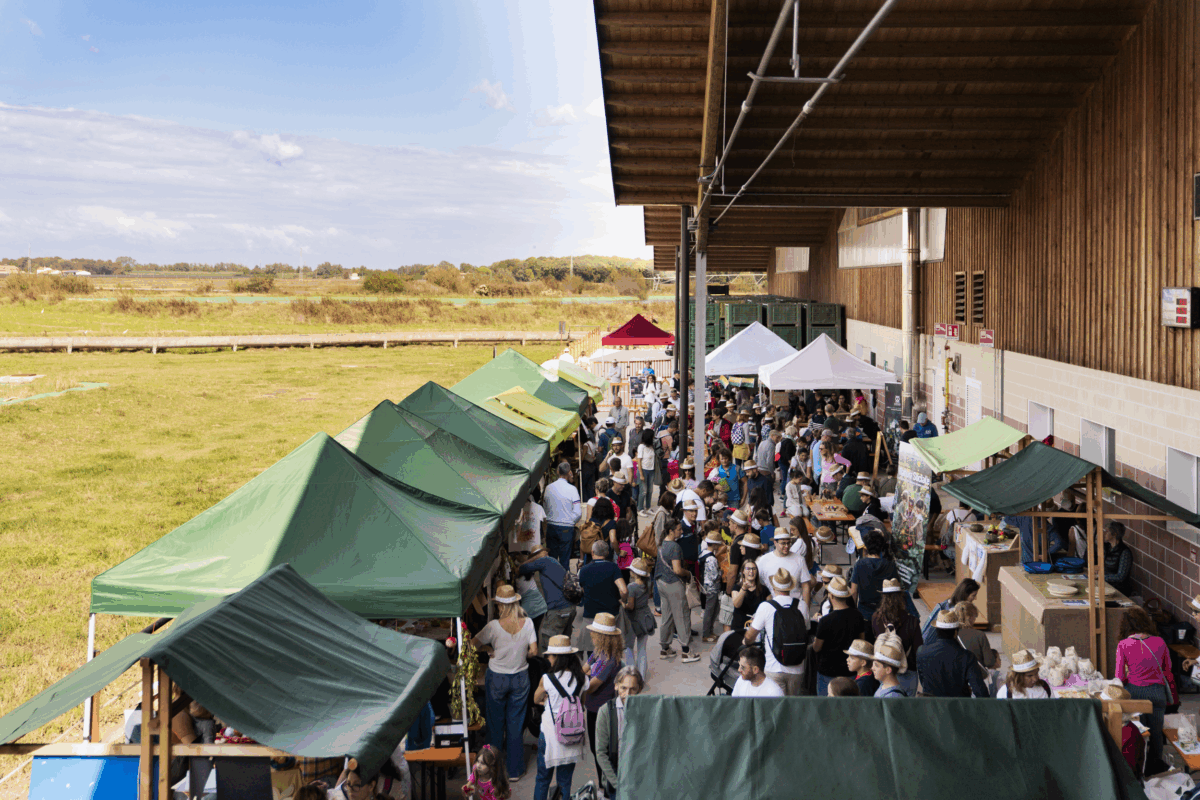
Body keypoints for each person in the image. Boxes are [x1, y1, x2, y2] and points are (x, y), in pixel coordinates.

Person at [473, 585, 538, 782]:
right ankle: (515, 771)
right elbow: (534, 651)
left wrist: (488, 649)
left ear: (500, 605)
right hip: (520, 677)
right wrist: (520, 655)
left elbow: (471, 645)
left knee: (495, 724)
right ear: (516, 602)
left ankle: (493, 771)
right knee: (515, 725)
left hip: (497, 678)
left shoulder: (493, 626)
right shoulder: (528, 623)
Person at [1116, 606, 1177, 776]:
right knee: (1157, 733)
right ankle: (1155, 765)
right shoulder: (1160, 641)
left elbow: (1119, 676)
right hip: (1157, 693)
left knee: (1140, 733)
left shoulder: (1123, 644)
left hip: (1135, 694)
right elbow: (1168, 668)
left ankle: (1139, 768)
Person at [531, 636, 587, 800]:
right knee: (565, 781)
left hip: (549, 735)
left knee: (543, 779)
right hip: (572, 735)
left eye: (549, 655)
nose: (548, 658)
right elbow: (580, 704)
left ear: (557, 657)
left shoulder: (547, 679)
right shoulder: (582, 679)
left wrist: (547, 700)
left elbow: (535, 699)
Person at [745, 569, 807, 696]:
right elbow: (806, 630)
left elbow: (750, 636)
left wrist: (745, 641)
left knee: (776, 709)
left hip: (774, 667)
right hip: (798, 667)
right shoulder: (802, 605)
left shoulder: (766, 606)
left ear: (773, 587)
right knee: (793, 709)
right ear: (790, 587)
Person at [582, 612, 624, 777]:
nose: (591, 634)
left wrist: (581, 679)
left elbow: (591, 687)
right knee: (596, 749)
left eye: (594, 633)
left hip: (602, 711)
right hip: (593, 708)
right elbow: (584, 670)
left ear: (602, 636)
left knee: (601, 751)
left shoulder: (611, 660)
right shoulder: (598, 653)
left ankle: (607, 787)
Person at [915, 610, 989, 699]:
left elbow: (923, 681)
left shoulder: (922, 652)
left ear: (937, 630)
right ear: (955, 632)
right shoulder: (967, 657)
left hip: (931, 707)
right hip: (959, 708)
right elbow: (980, 691)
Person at [812, 576, 867, 697]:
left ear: (831, 596)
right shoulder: (857, 616)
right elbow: (861, 642)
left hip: (827, 671)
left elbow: (817, 647)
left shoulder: (825, 621)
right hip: (850, 670)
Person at [655, 522, 699, 663]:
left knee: (667, 616)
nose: (681, 532)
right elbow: (677, 570)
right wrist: (688, 574)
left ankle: (665, 648)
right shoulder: (675, 546)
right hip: (673, 584)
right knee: (682, 616)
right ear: (671, 531)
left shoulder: (661, 545)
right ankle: (686, 652)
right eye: (679, 529)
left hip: (661, 583)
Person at [595, 667, 643, 796]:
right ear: (616, 686)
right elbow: (601, 753)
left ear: (639, 689)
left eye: (632, 689)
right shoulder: (605, 711)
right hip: (616, 776)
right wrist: (617, 784)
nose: (627, 694)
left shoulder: (644, 710)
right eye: (624, 688)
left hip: (639, 776)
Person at [575, 542, 629, 655]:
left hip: (591, 615)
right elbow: (624, 590)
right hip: (611, 615)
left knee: (592, 650)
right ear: (607, 553)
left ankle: (593, 670)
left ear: (592, 552)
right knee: (611, 650)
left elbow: (580, 591)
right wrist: (622, 601)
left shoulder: (583, 570)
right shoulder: (613, 568)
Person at [518, 546, 576, 650]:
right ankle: (564, 665)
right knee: (564, 643)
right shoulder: (552, 561)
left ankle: (552, 666)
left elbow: (521, 569)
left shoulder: (543, 561)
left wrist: (535, 558)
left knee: (549, 644)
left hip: (558, 610)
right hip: (570, 607)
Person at [871, 579, 921, 696]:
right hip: (907, 671)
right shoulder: (912, 621)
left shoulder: (876, 618)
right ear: (901, 597)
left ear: (883, 597)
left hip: (885, 673)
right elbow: (918, 649)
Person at [755, 526, 812, 621]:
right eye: (783, 543)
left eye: (788, 543)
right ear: (775, 543)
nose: (787, 546)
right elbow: (759, 586)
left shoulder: (799, 559)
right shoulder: (763, 560)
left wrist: (806, 610)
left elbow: (806, 586)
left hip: (795, 609)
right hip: (772, 611)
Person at [849, 531, 898, 623]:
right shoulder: (891, 565)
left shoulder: (859, 564)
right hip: (885, 613)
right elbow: (896, 591)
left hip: (864, 613)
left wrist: (853, 613)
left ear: (866, 547)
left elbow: (854, 592)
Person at [543, 462, 582, 570]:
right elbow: (578, 512)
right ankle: (564, 584)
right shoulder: (572, 489)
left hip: (551, 526)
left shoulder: (548, 488)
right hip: (567, 528)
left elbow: (545, 508)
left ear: (557, 472)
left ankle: (552, 583)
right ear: (569, 472)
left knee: (552, 560)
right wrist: (570, 521)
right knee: (565, 561)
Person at [921, 579, 980, 646]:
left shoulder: (946, 603)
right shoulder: (954, 612)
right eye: (973, 595)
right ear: (965, 594)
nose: (975, 598)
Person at [623, 558, 655, 678]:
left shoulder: (631, 587)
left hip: (633, 619)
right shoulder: (648, 583)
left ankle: (631, 675)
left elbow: (630, 606)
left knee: (629, 647)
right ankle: (641, 676)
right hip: (646, 617)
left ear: (634, 573)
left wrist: (622, 604)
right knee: (642, 649)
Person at [955, 601, 999, 673]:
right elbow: (989, 662)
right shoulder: (979, 635)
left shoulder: (949, 634)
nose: (975, 620)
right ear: (969, 618)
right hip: (975, 677)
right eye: (975, 617)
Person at [699, 528, 726, 642]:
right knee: (710, 612)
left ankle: (710, 631)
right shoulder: (711, 558)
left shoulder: (703, 554)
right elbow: (715, 576)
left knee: (712, 610)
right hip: (712, 588)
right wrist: (722, 572)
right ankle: (706, 634)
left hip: (705, 587)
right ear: (714, 545)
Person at [730, 557, 768, 633]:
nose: (751, 571)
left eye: (754, 569)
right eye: (748, 568)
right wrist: (744, 589)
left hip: (757, 629)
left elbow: (768, 610)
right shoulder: (737, 587)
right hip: (739, 628)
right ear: (743, 571)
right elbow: (736, 604)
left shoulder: (764, 589)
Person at [871, 631, 911, 698]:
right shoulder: (883, 686)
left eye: (876, 665)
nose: (872, 668)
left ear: (888, 670)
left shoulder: (893, 696)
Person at [1103, 521, 1134, 596]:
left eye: (1107, 531)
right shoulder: (1107, 547)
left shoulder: (1125, 552)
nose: (1104, 534)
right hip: (1106, 585)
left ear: (1115, 534)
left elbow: (1120, 576)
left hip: (1118, 590)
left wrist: (1102, 577)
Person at [635, 429, 657, 514]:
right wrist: (641, 474)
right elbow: (639, 460)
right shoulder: (641, 447)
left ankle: (648, 507)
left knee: (650, 490)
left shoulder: (651, 446)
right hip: (643, 470)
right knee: (643, 491)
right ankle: (640, 508)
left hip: (651, 470)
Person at [755, 430, 781, 497]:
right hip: (766, 471)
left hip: (759, 468)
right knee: (767, 493)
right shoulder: (771, 445)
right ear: (773, 436)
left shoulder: (762, 442)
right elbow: (769, 461)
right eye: (777, 437)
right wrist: (772, 472)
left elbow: (756, 456)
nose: (778, 440)